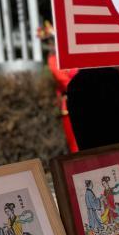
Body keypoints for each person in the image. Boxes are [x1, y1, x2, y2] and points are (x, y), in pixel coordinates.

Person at [38, 22, 79, 153]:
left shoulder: (72, 54)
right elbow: (65, 82)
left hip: (87, 98)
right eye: (50, 41)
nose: (52, 43)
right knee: (76, 144)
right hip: (71, 103)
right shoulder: (53, 59)